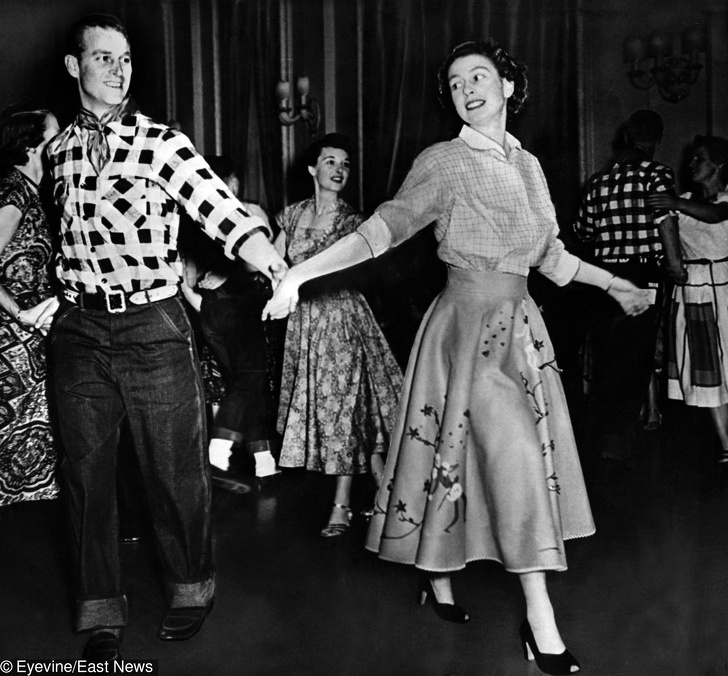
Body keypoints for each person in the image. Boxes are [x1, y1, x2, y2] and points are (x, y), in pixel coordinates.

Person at [264, 40, 651, 674]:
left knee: (469, 460)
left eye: (479, 76)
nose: (466, 88)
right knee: (509, 457)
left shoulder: (527, 166)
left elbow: (550, 257)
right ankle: (540, 621)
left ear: (507, 87)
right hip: (465, 329)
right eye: (453, 82)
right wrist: (298, 276)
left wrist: (618, 284)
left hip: (522, 331)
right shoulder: (442, 162)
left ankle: (438, 577)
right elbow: (379, 230)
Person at [29, 14, 287, 662]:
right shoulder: (56, 154)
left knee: (174, 474)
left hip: (154, 326)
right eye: (103, 58)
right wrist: (51, 301)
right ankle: (100, 608)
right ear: (73, 66)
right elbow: (53, 238)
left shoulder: (161, 144)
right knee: (86, 478)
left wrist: (273, 264)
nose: (118, 70)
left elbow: (219, 211)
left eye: (125, 59)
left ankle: (192, 588)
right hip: (81, 331)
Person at [274, 133, 402, 537]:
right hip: (304, 325)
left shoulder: (353, 221)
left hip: (342, 321)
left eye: (345, 164)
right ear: (313, 169)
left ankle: (342, 506)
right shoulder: (290, 216)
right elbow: (275, 266)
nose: (339, 170)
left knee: (343, 412)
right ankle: (386, 494)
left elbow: (355, 269)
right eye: (330, 162)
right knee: (333, 414)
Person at [574, 109, 686, 481]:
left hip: (606, 278)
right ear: (655, 140)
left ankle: (597, 443)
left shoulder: (597, 181)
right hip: (644, 275)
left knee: (607, 358)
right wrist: (673, 265)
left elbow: (583, 232)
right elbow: (665, 220)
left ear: (625, 137)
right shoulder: (657, 174)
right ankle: (617, 446)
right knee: (636, 360)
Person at [180, 155, 281, 491]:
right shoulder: (246, 212)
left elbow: (182, 274)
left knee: (245, 385)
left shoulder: (191, 218)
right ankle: (218, 448)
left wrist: (199, 301)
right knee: (250, 381)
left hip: (210, 309)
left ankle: (264, 463)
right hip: (238, 307)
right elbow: (256, 266)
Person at [647, 135, 728, 477]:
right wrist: (670, 263)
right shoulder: (679, 201)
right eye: (692, 158)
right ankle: (726, 444)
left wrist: (674, 205)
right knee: (709, 368)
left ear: (719, 165)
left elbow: (716, 215)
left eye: (700, 159)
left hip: (725, 284)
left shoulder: (723, 200)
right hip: (694, 291)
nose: (692, 164)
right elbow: (666, 232)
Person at [0, 109, 60, 506]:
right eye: (57, 133)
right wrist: (19, 314)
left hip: (34, 337)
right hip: (11, 339)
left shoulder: (36, 191)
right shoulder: (14, 191)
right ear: (31, 144)